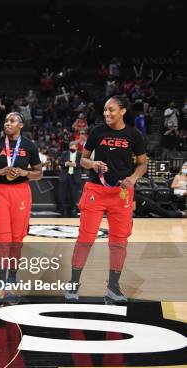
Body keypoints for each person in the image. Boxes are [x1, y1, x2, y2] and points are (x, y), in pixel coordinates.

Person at [66, 96, 147, 302]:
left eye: (111, 110)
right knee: (86, 237)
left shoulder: (134, 135)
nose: (106, 114)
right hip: (96, 190)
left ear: (123, 111)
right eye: (104, 110)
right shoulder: (97, 132)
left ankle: (113, 286)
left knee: (119, 241)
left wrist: (133, 178)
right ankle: (73, 284)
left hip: (121, 193)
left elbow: (142, 164)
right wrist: (92, 165)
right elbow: (83, 159)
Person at [0, 112, 43, 302]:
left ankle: (12, 283)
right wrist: (1, 171)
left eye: (12, 121)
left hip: (21, 192)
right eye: (6, 120)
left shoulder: (29, 146)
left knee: (16, 240)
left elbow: (39, 173)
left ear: (21, 125)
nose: (8, 123)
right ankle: (0, 285)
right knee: (3, 239)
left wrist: (25, 172)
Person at [58, 141, 82, 216]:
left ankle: (74, 208)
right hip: (65, 175)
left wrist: (75, 164)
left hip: (74, 176)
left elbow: (82, 164)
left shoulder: (80, 154)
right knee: (62, 192)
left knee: (74, 193)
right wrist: (66, 163)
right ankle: (61, 208)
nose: (71, 147)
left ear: (76, 147)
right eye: (70, 146)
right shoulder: (64, 153)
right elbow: (60, 162)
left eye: (73, 146)